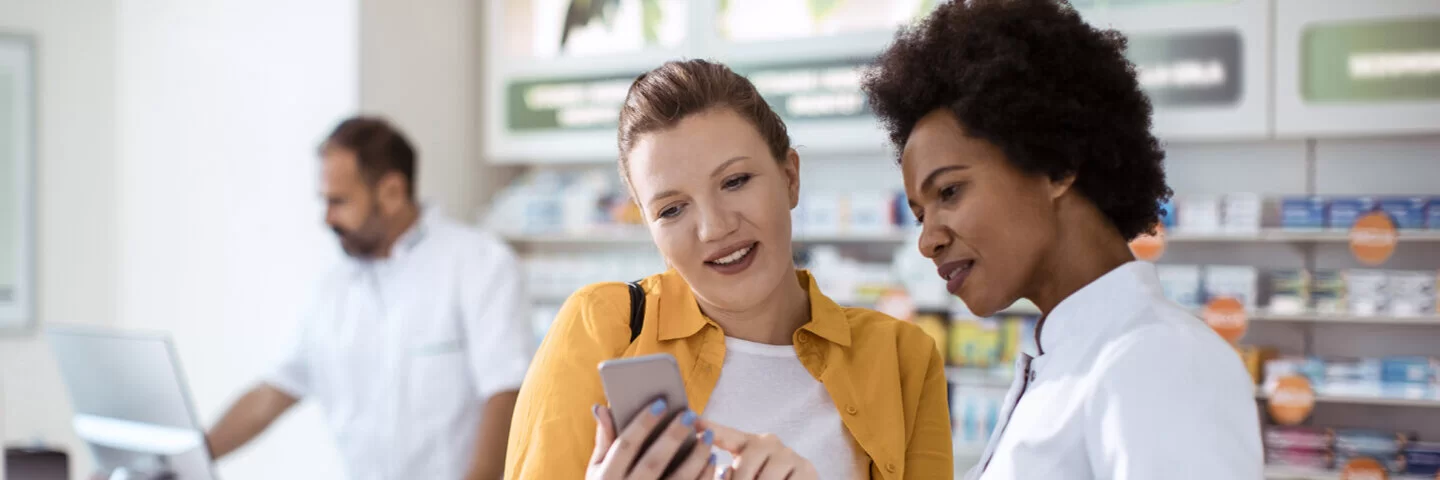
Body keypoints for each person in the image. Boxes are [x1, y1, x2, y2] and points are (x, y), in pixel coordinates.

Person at [861, 1, 1264, 479]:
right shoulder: (1066, 362)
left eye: (949, 191)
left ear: (1055, 166)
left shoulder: (1159, 359)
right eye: (920, 215)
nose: (927, 241)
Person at [505, 59, 953, 480]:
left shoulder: (901, 358)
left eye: (734, 181)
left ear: (790, 177)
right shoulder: (601, 327)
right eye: (672, 209)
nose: (714, 228)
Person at [204, 117, 532, 480]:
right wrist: (187, 458)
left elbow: (506, 392)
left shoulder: (480, 263)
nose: (326, 218)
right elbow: (272, 393)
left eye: (338, 201)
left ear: (391, 191)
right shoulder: (332, 288)